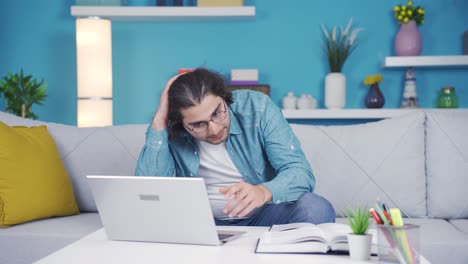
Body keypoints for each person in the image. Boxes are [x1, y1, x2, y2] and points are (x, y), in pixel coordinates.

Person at [135, 68, 335, 226]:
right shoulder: (168, 128)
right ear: (181, 124)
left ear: (223, 97)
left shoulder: (258, 107)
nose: (214, 129)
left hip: (263, 216)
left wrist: (263, 191)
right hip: (197, 221)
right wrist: (160, 120)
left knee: (316, 208)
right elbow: (148, 193)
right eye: (198, 124)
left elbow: (300, 173)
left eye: (217, 113)